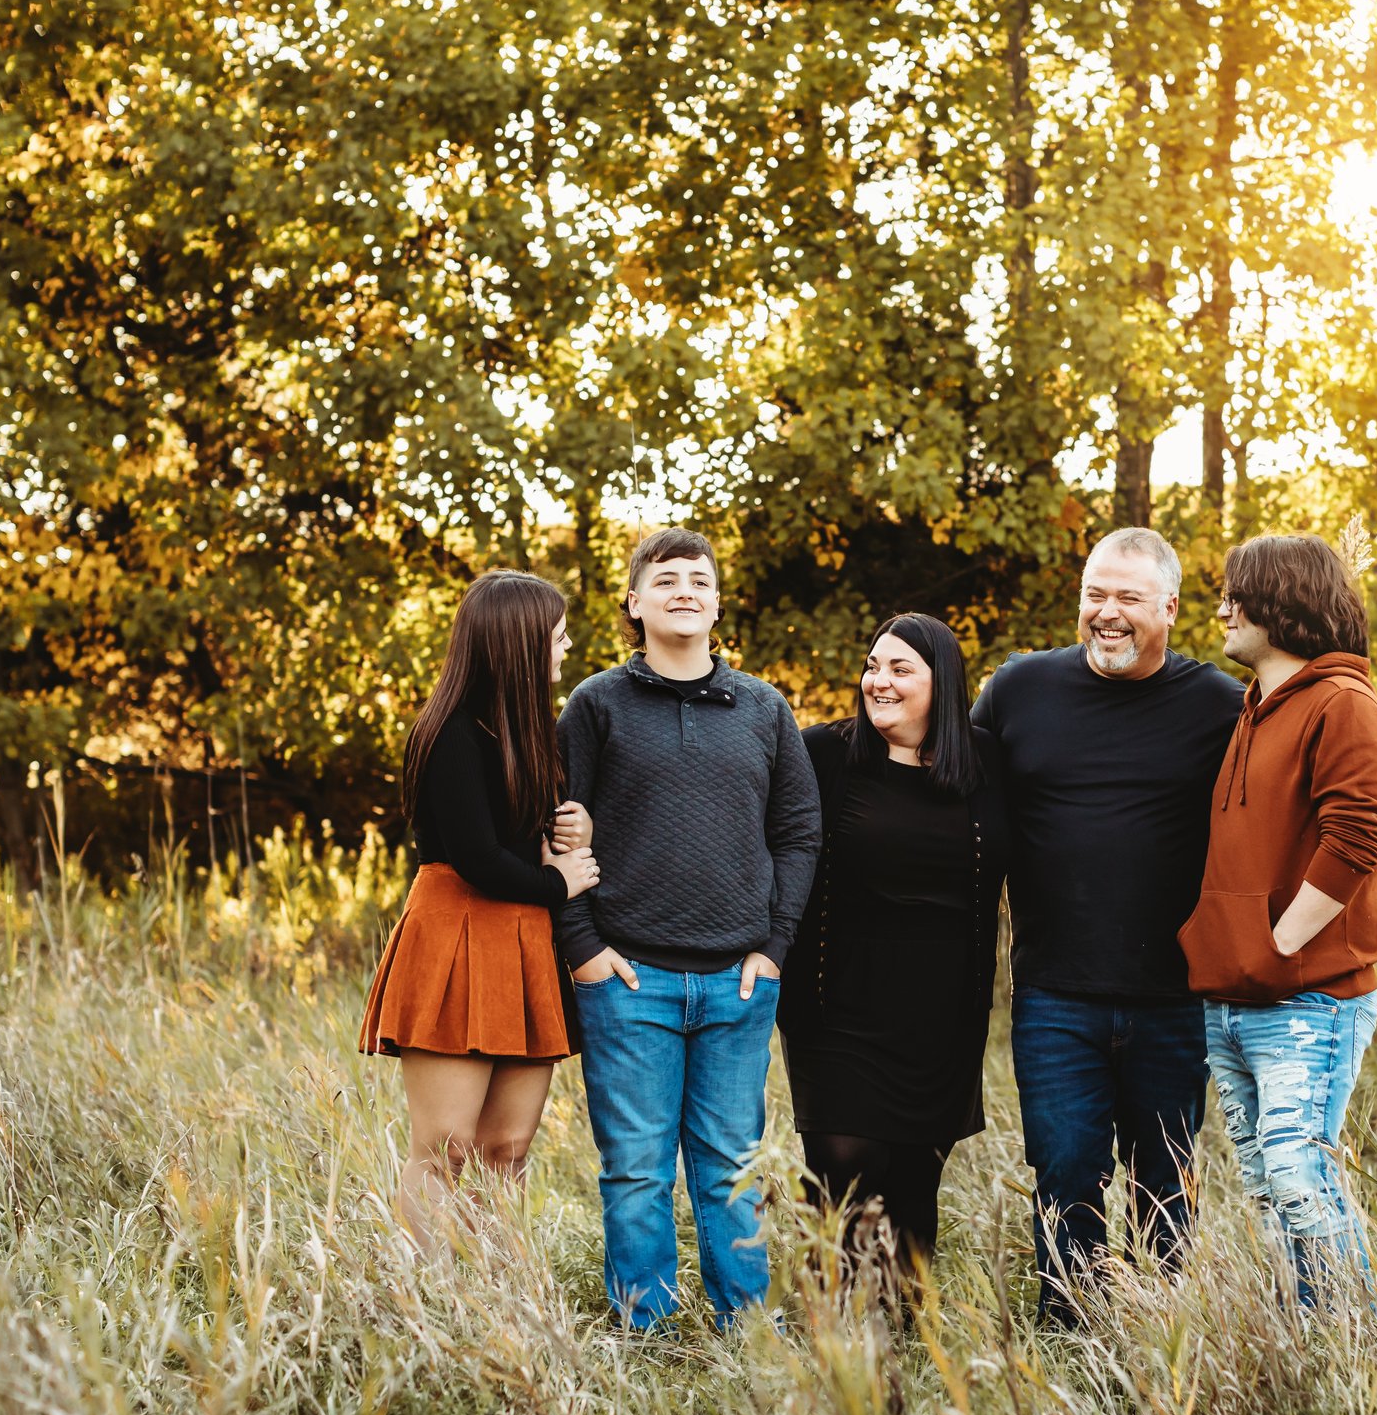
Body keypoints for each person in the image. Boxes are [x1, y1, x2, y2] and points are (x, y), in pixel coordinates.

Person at [971, 527, 1244, 1326]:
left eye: (1128, 597)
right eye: (1096, 594)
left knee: (1166, 1180)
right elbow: (956, 793)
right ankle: (1073, 1336)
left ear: (1170, 605)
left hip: (1173, 996)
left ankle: (1165, 1332)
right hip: (1056, 990)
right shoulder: (1020, 689)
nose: (1108, 613)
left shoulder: (1220, 705)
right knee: (1065, 1169)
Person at [556, 528, 823, 1331]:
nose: (684, 590)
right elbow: (561, 831)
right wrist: (584, 949)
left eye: (698, 579)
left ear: (716, 601)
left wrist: (773, 948)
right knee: (636, 1171)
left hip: (738, 984)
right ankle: (644, 1328)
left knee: (731, 1169)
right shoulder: (596, 705)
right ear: (634, 603)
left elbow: (800, 832)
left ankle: (746, 1330)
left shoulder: (765, 709)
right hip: (629, 977)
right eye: (664, 579)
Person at [1180, 534, 1377, 1305]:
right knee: (1269, 1186)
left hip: (1310, 995)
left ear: (1285, 600)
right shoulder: (1255, 710)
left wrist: (1278, 943)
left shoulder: (1345, 704)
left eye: (1238, 593)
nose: (1222, 607)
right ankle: (1308, 1354)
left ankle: (1354, 1349)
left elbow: (1359, 836)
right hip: (1233, 996)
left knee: (1301, 1174)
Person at [358, 570, 601, 1247]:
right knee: (446, 1146)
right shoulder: (449, 734)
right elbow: (475, 855)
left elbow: (532, 838)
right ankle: (424, 1298)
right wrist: (560, 884)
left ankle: (498, 1299)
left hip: (526, 943)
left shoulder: (536, 733)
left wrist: (572, 829)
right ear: (518, 643)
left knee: (508, 1147)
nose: (566, 645)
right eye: (556, 634)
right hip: (457, 933)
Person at [781, 614, 1009, 1290]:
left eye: (900, 668)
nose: (878, 681)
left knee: (915, 1175)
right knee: (844, 1162)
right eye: (872, 665)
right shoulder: (823, 754)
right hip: (836, 1004)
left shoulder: (988, 763)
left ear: (943, 682)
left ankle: (907, 1327)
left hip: (942, 1014)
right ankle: (836, 1328)